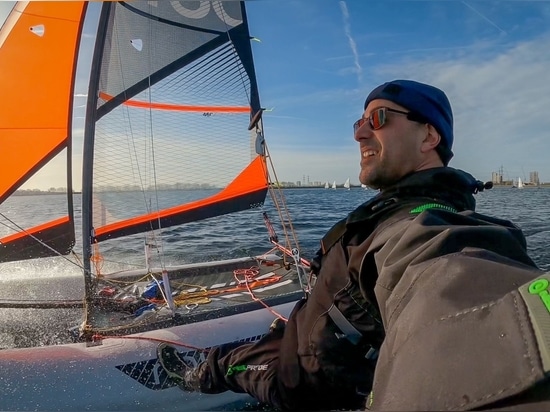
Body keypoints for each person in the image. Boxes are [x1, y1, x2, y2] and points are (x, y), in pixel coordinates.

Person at [158, 79, 550, 411]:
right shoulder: (395, 208)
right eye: (359, 122)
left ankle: (193, 374)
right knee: (271, 338)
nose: (361, 133)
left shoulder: (426, 222)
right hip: (312, 337)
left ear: (429, 136)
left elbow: (445, 266)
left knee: (231, 363)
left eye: (379, 119)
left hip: (305, 381)